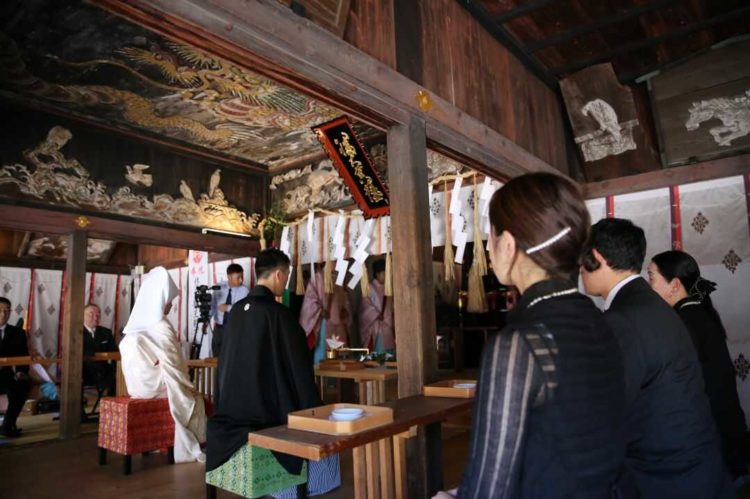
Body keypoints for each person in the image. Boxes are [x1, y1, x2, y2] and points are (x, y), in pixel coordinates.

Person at [452, 173, 631, 498]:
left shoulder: (519, 345)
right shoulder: (601, 320)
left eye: (490, 239)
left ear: (507, 244)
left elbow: (487, 490)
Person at [581, 218, 732, 498]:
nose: (580, 269)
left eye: (582, 258)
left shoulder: (622, 319)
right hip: (695, 468)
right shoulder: (650, 304)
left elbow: (605, 412)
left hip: (666, 479)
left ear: (597, 257)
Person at [207, 249, 340, 497]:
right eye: (287, 274)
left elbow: (224, 363)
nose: (287, 280)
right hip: (267, 417)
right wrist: (314, 409)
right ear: (279, 274)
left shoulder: (235, 312)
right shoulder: (280, 315)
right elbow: (299, 369)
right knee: (321, 423)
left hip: (230, 415)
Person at [648, 250, 747, 479]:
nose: (648, 285)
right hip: (725, 434)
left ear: (674, 285)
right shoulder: (695, 313)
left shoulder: (685, 321)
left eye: (651, 277)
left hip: (714, 440)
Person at [119, 266, 206, 463]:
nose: (171, 306)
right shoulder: (161, 325)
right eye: (170, 301)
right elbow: (174, 365)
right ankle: (195, 443)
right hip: (153, 386)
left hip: (136, 386)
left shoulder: (137, 320)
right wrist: (187, 383)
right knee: (194, 399)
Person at [299, 265, 352, 363]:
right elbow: (310, 298)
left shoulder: (339, 278)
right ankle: (322, 377)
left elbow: (345, 298)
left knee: (339, 354)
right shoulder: (318, 276)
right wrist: (319, 310)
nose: (336, 262)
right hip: (325, 321)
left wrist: (345, 310)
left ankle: (338, 377)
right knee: (323, 352)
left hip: (339, 322)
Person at [0, 297, 30, 438]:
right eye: (0, 310)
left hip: (7, 376)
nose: (3, 314)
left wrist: (21, 372)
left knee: (23, 384)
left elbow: (23, 356)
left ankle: (7, 426)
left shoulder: (18, 333)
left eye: (7, 311)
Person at [210, 263, 249, 357]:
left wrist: (228, 307)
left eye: (242, 277)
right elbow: (213, 306)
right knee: (216, 353)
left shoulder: (245, 291)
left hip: (234, 328)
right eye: (238, 277)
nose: (241, 280)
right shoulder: (219, 287)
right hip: (218, 328)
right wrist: (205, 320)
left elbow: (245, 310)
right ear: (229, 277)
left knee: (231, 355)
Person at [359, 259, 394, 353]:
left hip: (387, 324)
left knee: (389, 352)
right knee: (379, 352)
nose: (386, 276)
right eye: (383, 273)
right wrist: (375, 314)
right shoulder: (370, 288)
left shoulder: (388, 288)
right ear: (377, 274)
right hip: (376, 326)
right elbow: (365, 305)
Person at [82, 303, 117, 396]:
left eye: (98, 315)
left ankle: (110, 404)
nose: (95, 317)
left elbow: (115, 353)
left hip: (105, 371)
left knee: (119, 376)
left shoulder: (106, 332)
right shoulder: (77, 332)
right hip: (84, 371)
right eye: (91, 314)